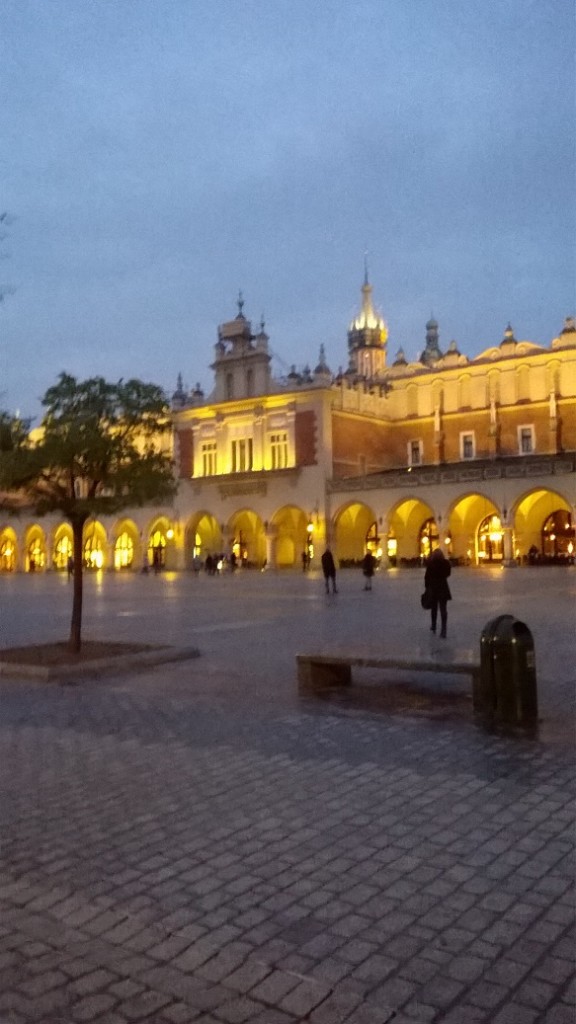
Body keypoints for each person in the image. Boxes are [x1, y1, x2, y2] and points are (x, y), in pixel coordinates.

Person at [424, 547, 452, 638]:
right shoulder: (445, 563)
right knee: (443, 609)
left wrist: (427, 587)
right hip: (443, 588)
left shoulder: (431, 564)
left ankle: (434, 625)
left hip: (433, 588)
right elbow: (448, 574)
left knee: (434, 609)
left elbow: (426, 577)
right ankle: (444, 629)